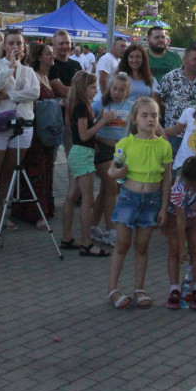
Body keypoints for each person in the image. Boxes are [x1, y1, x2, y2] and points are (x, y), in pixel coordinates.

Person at [106, 97, 172, 310]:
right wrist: (118, 172)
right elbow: (112, 171)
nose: (150, 119)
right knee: (122, 244)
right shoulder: (125, 144)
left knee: (142, 246)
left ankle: (139, 289)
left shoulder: (164, 146)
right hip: (128, 199)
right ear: (134, 119)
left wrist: (163, 207)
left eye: (154, 115)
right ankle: (113, 289)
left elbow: (167, 178)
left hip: (151, 201)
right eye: (144, 115)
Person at [0, 29, 40, 228]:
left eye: (19, 43)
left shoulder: (30, 71)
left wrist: (10, 95)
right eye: (11, 43)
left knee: (8, 173)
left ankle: (1, 216)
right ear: (4, 46)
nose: (15, 47)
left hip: (23, 125)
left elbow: (35, 92)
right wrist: (10, 66)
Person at [63, 71, 114, 256]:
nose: (95, 91)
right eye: (92, 88)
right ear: (83, 88)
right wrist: (103, 121)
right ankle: (86, 243)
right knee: (87, 198)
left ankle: (67, 236)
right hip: (83, 153)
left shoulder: (75, 104)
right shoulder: (82, 107)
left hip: (78, 152)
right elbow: (85, 134)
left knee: (71, 196)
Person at [11, 42, 58, 230]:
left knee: (46, 170)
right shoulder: (34, 77)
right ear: (39, 57)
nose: (52, 56)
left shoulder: (47, 77)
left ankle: (43, 208)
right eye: (49, 53)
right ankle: (33, 213)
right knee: (34, 171)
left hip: (46, 132)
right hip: (35, 131)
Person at [163, 155, 196, 311]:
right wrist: (182, 248)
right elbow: (181, 220)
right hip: (176, 218)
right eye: (191, 186)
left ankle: (195, 289)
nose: (193, 189)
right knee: (174, 251)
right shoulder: (179, 188)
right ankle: (174, 289)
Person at [91, 73, 133, 246]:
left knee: (105, 190)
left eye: (121, 90)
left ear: (127, 91)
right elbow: (87, 126)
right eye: (114, 88)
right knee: (111, 186)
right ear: (109, 88)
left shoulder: (130, 106)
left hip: (120, 152)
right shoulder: (100, 104)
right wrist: (100, 140)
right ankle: (111, 230)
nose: (117, 92)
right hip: (102, 150)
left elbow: (132, 129)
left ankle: (92, 227)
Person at [159, 44, 196, 158]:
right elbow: (159, 99)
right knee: (172, 168)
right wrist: (170, 112)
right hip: (174, 134)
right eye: (195, 59)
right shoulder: (170, 77)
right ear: (184, 60)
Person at [49, 29, 82, 99]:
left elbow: (85, 85)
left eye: (67, 43)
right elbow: (61, 91)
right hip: (58, 108)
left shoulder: (76, 65)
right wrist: (81, 92)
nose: (65, 46)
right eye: (61, 43)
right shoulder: (50, 65)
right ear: (54, 46)